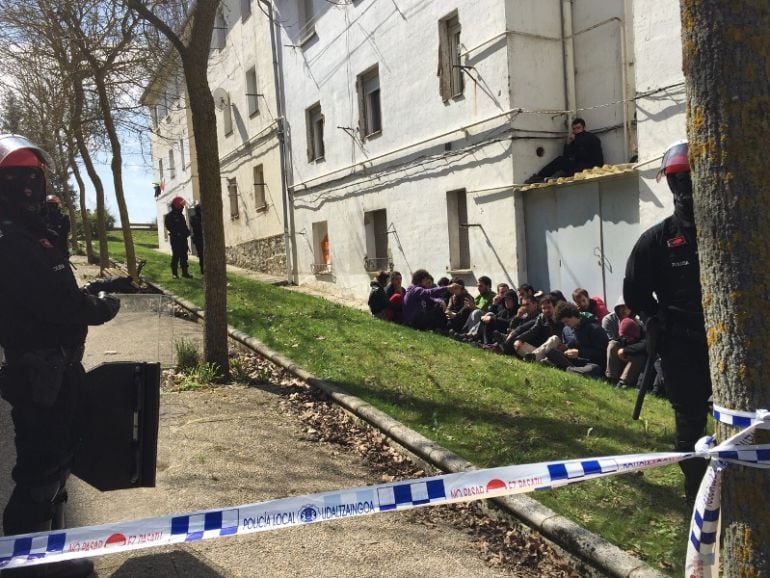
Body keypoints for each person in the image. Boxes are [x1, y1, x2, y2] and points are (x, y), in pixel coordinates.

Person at [0, 134, 120, 578]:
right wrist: (99, 307)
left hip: (55, 365)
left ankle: (51, 551)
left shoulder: (28, 234)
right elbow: (57, 302)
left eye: (36, 178)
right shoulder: (11, 241)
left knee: (58, 459)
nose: (32, 190)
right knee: (40, 467)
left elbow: (56, 288)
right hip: (39, 370)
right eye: (21, 180)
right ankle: (25, 567)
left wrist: (54, 238)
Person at [623, 139, 711, 505]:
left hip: (729, 343)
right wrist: (654, 318)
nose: (685, 188)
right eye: (677, 180)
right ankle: (697, 496)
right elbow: (635, 292)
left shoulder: (735, 231)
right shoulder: (656, 241)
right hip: (682, 345)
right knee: (689, 423)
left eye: (690, 178)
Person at [524, 118, 604, 184]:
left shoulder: (591, 138)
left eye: (578, 128)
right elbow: (566, 156)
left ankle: (557, 177)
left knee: (563, 177)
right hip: (577, 166)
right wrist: (568, 143)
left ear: (584, 127)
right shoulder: (574, 140)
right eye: (574, 129)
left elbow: (597, 158)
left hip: (589, 166)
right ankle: (539, 177)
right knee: (560, 160)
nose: (576, 131)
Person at [545, 302, 609, 377]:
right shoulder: (566, 330)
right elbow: (567, 347)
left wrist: (579, 353)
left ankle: (565, 369)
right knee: (549, 351)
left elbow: (601, 353)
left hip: (591, 363)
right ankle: (573, 370)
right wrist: (565, 348)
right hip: (574, 361)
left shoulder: (594, 329)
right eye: (563, 323)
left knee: (594, 369)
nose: (566, 325)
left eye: (566, 321)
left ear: (574, 315)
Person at [164, 196, 192, 279]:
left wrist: (187, 232)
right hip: (175, 239)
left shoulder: (181, 216)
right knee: (176, 256)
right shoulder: (169, 216)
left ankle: (185, 273)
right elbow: (169, 227)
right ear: (177, 205)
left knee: (184, 256)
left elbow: (184, 226)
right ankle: (174, 274)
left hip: (183, 239)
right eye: (181, 205)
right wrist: (177, 233)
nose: (183, 207)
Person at [44, 194, 70, 259]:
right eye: (49, 205)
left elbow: (64, 234)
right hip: (45, 251)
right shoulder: (42, 218)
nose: (51, 208)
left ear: (57, 205)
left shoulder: (64, 218)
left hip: (60, 251)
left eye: (53, 205)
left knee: (62, 268)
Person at [189, 200, 204, 274]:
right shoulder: (193, 218)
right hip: (198, 238)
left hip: (204, 238)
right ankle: (202, 269)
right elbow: (195, 226)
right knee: (201, 255)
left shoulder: (203, 217)